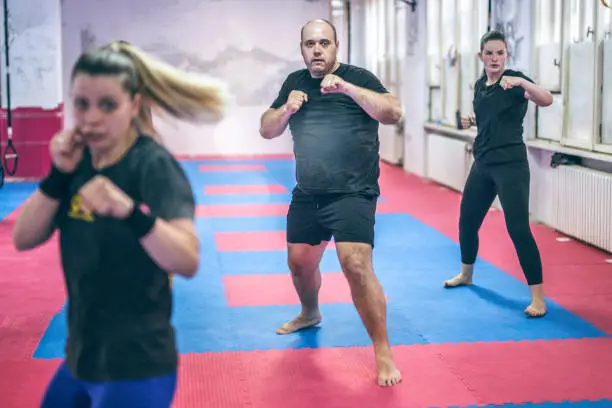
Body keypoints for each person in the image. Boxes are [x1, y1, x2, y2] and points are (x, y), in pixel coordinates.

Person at [12, 41, 227, 407]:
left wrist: (129, 211)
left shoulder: (152, 166)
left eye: (107, 105)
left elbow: (187, 260)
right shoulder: (76, 161)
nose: (92, 117)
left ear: (134, 106)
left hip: (137, 366)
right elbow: (23, 237)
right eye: (82, 104)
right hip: (82, 359)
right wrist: (58, 175)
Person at [259, 19, 403, 387]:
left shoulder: (360, 77)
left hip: (354, 192)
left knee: (355, 263)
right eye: (310, 44)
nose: (317, 50)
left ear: (336, 46)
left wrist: (348, 89)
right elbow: (267, 127)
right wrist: (287, 109)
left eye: (324, 43)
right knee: (298, 264)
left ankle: (383, 350)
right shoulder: (294, 83)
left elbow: (392, 112)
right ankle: (310, 312)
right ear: (302, 48)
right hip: (308, 193)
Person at [443, 30, 553, 318]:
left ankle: (538, 298)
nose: (494, 58)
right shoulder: (481, 85)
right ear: (481, 56)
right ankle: (466, 273)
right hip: (483, 163)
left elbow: (546, 100)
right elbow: (493, 118)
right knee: (467, 220)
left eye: (500, 53)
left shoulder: (513, 82)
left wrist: (523, 82)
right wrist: (473, 121)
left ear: (507, 55)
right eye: (489, 53)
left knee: (518, 229)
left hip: (511, 166)